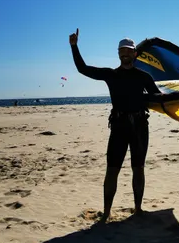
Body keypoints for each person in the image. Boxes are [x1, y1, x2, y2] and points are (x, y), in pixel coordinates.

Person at [69, 29, 162, 224]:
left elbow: (159, 98)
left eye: (129, 50)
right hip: (119, 126)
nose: (125, 53)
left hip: (139, 126)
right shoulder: (111, 75)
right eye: (122, 50)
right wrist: (74, 46)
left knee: (138, 168)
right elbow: (83, 69)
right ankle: (106, 212)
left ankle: (138, 209)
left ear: (135, 53)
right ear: (118, 54)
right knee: (112, 169)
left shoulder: (144, 76)